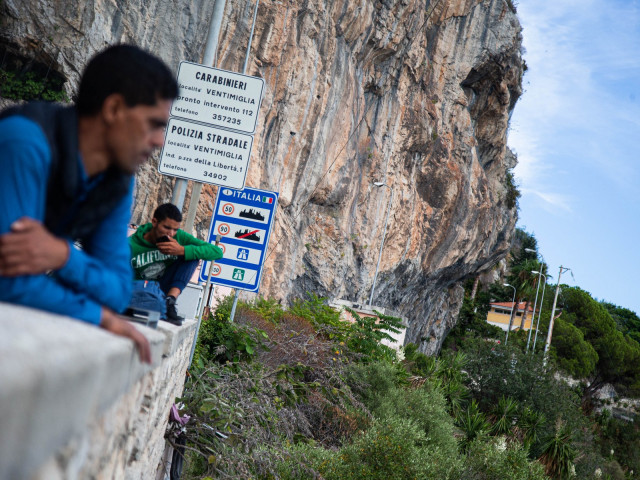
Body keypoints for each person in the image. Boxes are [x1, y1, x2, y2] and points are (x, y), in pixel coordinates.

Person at [0, 45, 179, 363]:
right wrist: (101, 318)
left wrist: (63, 255)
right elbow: (10, 282)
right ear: (113, 109)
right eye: (153, 124)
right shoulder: (24, 142)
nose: (159, 141)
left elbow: (119, 290)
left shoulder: (117, 182)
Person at [129, 203, 223, 325]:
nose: (171, 233)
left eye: (175, 229)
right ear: (154, 222)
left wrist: (182, 250)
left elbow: (217, 252)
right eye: (167, 228)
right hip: (140, 291)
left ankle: (170, 301)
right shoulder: (131, 245)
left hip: (164, 288)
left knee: (192, 255)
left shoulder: (180, 237)